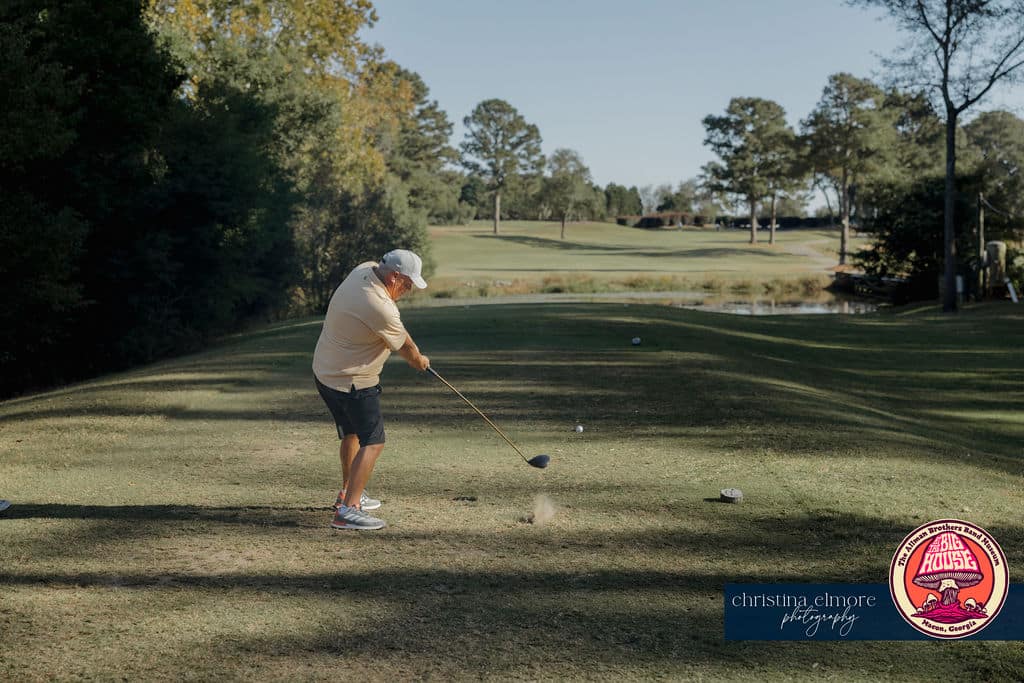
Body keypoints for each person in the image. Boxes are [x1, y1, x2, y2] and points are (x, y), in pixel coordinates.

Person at [313, 249, 430, 530]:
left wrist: (414, 350)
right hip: (353, 381)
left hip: (325, 373)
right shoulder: (379, 305)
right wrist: (420, 361)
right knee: (373, 442)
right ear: (393, 277)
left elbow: (397, 331)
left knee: (352, 433)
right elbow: (407, 349)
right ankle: (348, 510)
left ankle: (347, 492)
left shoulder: (364, 269)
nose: (409, 289)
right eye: (407, 283)